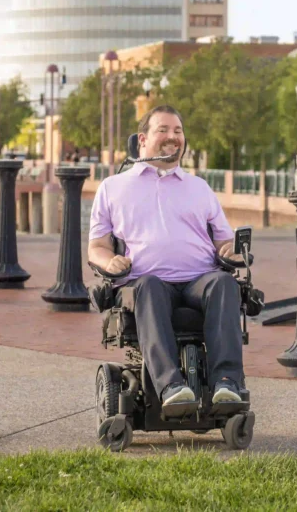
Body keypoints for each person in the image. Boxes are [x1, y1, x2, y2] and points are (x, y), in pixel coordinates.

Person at [87, 105, 245, 410]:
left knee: (225, 283)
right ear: (142, 140)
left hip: (199, 281)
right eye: (164, 130)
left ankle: (227, 383)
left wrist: (229, 250)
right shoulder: (113, 188)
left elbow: (224, 238)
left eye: (178, 131)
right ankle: (171, 386)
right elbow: (97, 246)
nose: (173, 137)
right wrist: (109, 262)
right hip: (147, 283)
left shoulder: (199, 188)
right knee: (148, 286)